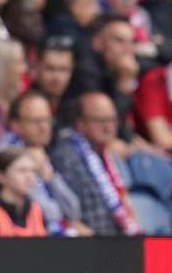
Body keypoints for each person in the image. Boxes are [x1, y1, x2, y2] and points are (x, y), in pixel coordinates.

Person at [51, 92, 142, 236]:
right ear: (80, 123)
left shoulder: (108, 155)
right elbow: (70, 214)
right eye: (100, 121)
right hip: (88, 244)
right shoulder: (66, 156)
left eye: (112, 120)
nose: (108, 127)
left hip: (114, 242)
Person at [0, 90, 89, 237]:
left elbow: (74, 210)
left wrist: (50, 177)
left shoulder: (40, 152)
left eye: (47, 120)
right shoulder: (6, 156)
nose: (44, 128)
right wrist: (69, 225)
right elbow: (48, 213)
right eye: (36, 121)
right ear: (16, 125)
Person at [0, 146, 45, 237]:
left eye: (33, 171)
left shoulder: (35, 209)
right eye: (22, 171)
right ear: (1, 176)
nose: (30, 177)